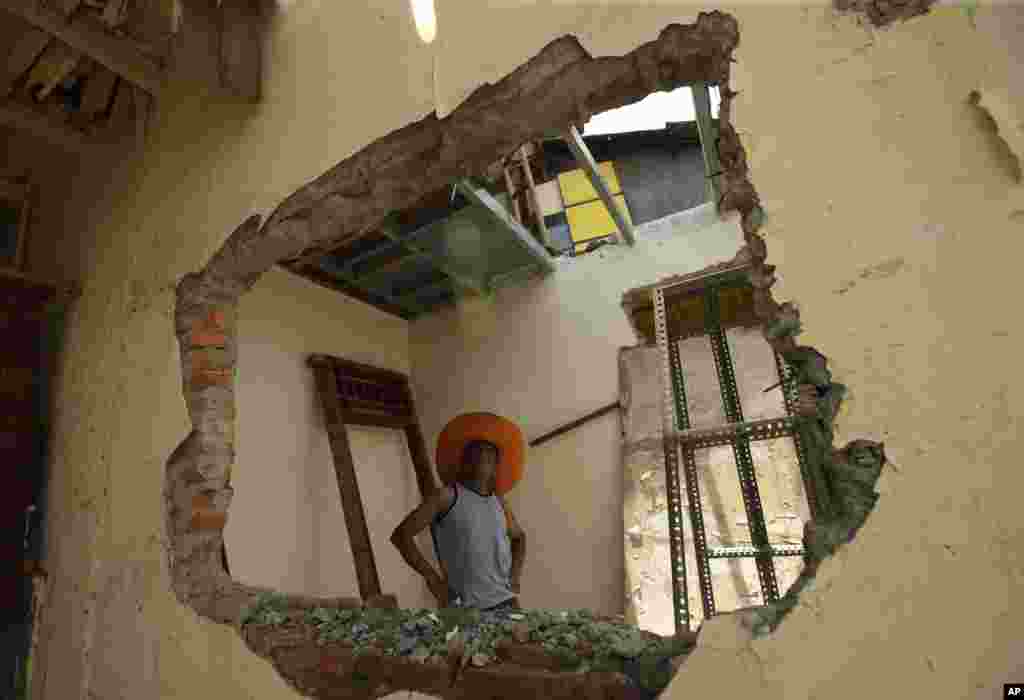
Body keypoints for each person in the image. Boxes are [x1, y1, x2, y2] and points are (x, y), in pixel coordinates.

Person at [391, 413, 526, 612]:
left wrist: (515, 576)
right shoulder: (447, 497)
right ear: (464, 460)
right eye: (476, 451)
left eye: (490, 453)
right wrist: (433, 580)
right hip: (464, 609)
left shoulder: (499, 502)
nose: (483, 455)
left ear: (497, 466)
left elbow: (520, 538)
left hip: (507, 604)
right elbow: (401, 536)